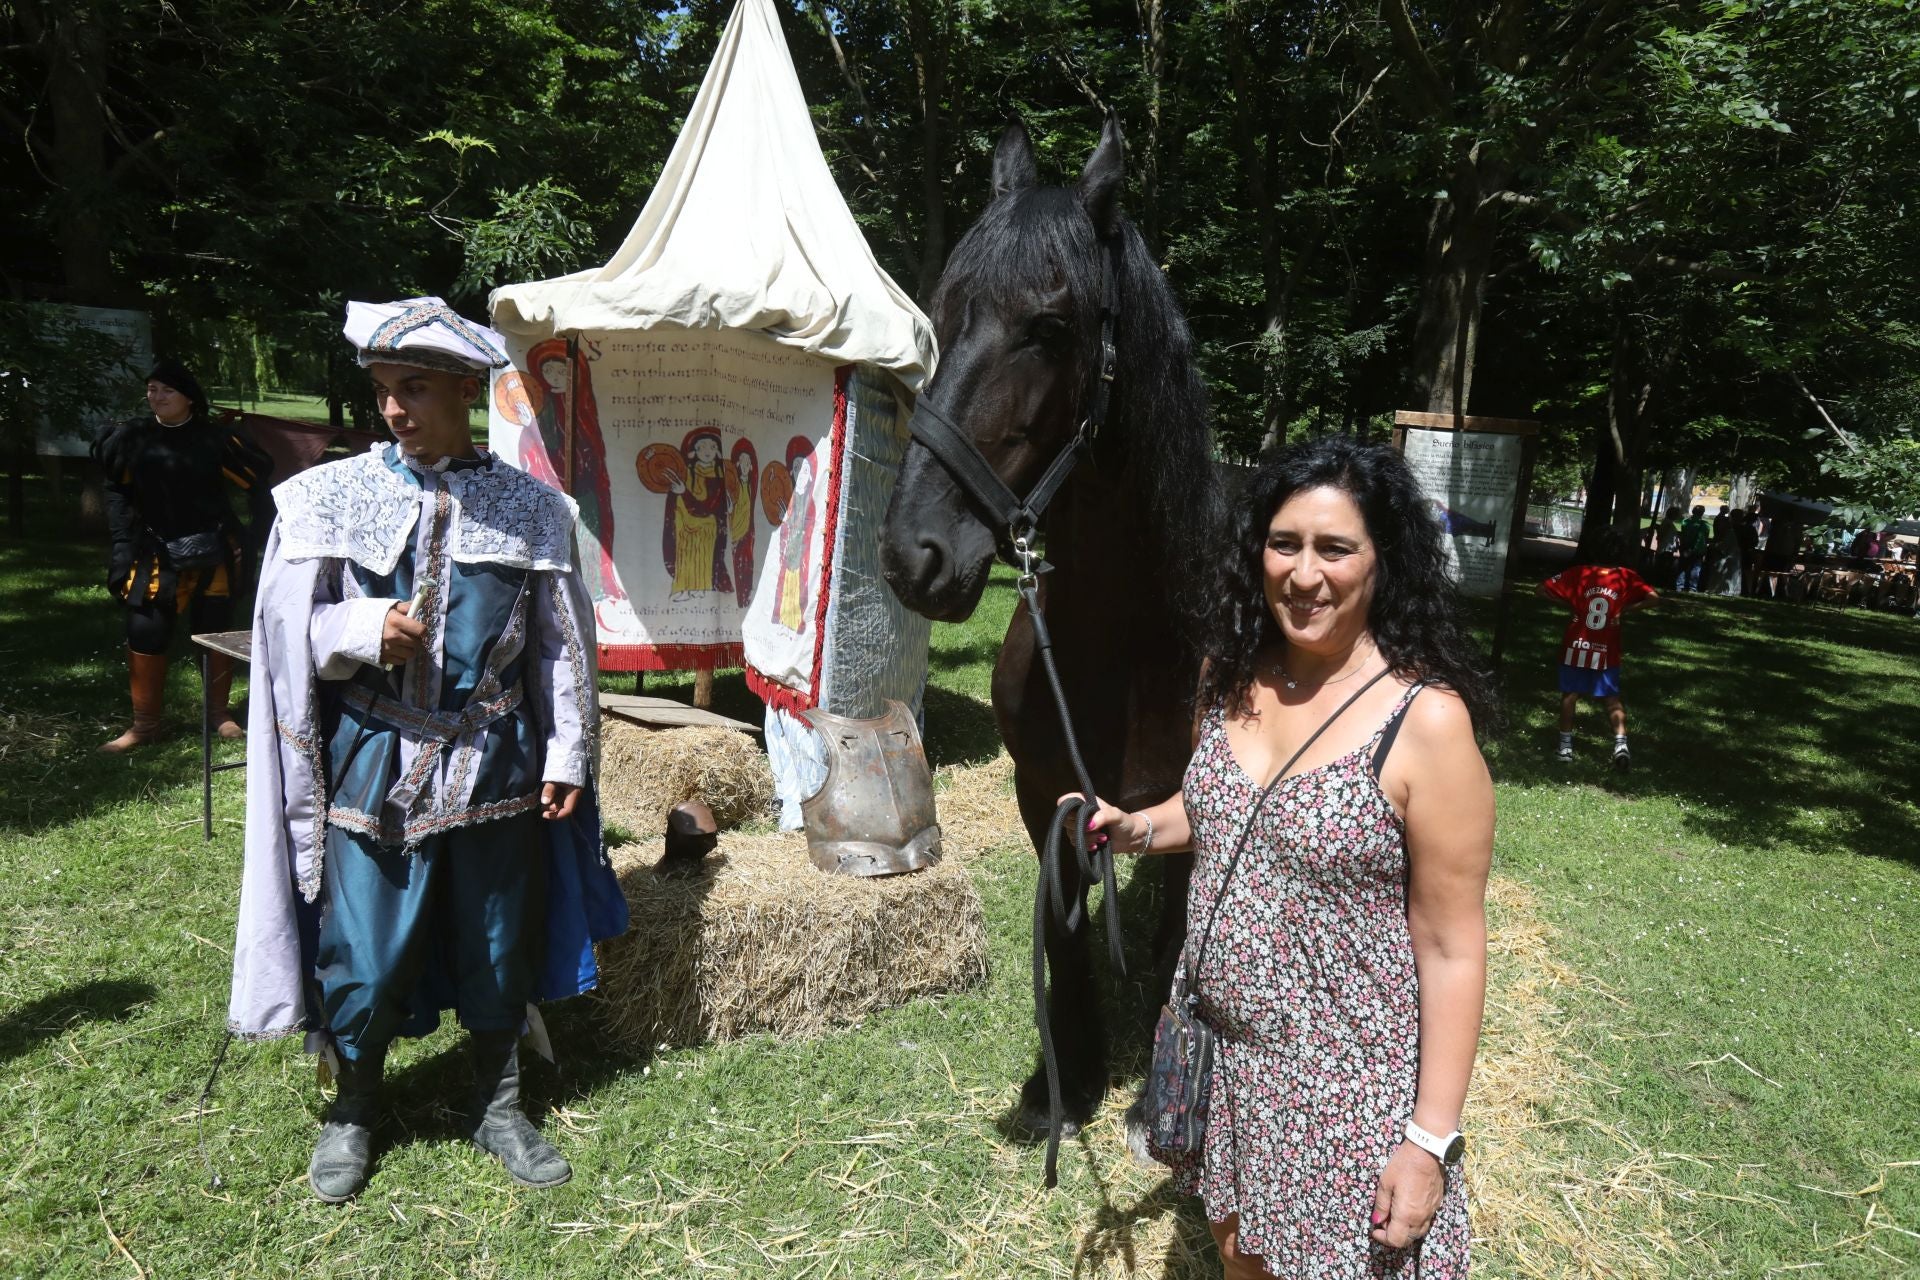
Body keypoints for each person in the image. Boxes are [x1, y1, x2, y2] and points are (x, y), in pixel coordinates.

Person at [227, 297, 629, 1203]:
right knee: (363, 950)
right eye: (382, 391)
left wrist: (569, 752)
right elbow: (290, 637)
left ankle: (497, 1104)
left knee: (497, 942)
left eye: (414, 388)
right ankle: (354, 1109)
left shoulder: (533, 509)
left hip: (497, 761)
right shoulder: (327, 499)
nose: (395, 409)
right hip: (374, 760)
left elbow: (562, 642)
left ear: (464, 389)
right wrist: (363, 627)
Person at [1073, 437, 1497, 1277]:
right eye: (1285, 544)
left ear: (1385, 562)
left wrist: (1428, 1140)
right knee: (1241, 1259)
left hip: (1344, 1088)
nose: (1305, 575)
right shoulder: (1228, 675)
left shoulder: (1426, 722)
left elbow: (1453, 948)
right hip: (1221, 1052)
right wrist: (1134, 828)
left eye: (1336, 548)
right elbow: (1220, 812)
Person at [90, 360, 274, 752]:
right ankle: (145, 726)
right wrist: (123, 541)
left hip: (215, 550)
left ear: (189, 398)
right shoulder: (132, 438)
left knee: (215, 630)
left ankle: (218, 714)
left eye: (166, 391)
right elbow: (116, 489)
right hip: (154, 551)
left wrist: (257, 537)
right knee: (146, 630)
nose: (156, 397)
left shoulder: (216, 440)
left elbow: (259, 486)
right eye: (152, 389)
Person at [1540, 529, 1658, 768]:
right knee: (1611, 698)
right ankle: (1621, 744)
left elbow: (1540, 589)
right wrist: (1624, 609)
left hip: (1577, 644)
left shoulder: (1579, 573)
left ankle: (1565, 747)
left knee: (1570, 695)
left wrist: (1570, 604)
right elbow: (1654, 598)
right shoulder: (1626, 577)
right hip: (1607, 646)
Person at [1675, 504, 1710, 592]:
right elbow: (1703, 538)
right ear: (1702, 513)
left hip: (1685, 547)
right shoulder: (1705, 525)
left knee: (1683, 567)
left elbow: (1683, 535)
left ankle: (1679, 586)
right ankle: (1692, 587)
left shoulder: (1685, 522)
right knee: (1696, 568)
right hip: (1698, 549)